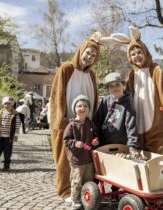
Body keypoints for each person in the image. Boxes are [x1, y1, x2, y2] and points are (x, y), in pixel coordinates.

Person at [49, 32, 112, 201]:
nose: (90, 57)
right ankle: (66, 191)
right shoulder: (66, 69)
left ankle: (86, 189)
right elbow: (57, 95)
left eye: (94, 55)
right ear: (81, 51)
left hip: (87, 123)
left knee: (86, 158)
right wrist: (60, 121)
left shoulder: (91, 75)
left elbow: (95, 99)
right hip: (68, 123)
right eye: (88, 53)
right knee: (66, 159)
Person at [111, 26, 163, 154]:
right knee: (138, 154)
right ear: (129, 57)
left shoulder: (156, 70)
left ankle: (158, 173)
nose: (136, 56)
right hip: (138, 121)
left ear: (145, 53)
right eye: (133, 54)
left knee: (156, 154)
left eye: (139, 53)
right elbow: (126, 95)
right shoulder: (132, 74)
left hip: (155, 121)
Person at [93, 72, 140, 201]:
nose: (115, 88)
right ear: (107, 89)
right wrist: (95, 135)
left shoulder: (128, 104)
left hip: (118, 143)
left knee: (116, 168)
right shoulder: (106, 101)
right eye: (111, 86)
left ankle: (114, 192)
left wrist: (133, 146)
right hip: (103, 140)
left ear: (123, 85)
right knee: (98, 166)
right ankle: (94, 191)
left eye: (117, 84)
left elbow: (131, 126)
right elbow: (97, 120)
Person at [63, 95, 99, 209]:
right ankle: (75, 199)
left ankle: (87, 198)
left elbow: (96, 135)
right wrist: (74, 143)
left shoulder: (90, 123)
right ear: (75, 109)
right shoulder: (71, 125)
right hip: (77, 160)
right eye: (79, 106)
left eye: (85, 106)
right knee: (76, 181)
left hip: (88, 159)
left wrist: (95, 140)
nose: (82, 108)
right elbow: (66, 140)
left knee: (88, 180)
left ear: (88, 109)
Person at [0, 96, 21, 171]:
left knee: (7, 151)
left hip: (9, 137)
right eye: (5, 104)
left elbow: (17, 125)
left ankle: (6, 164)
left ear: (12, 105)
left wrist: (16, 135)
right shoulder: (0, 113)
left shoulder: (15, 114)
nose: (7, 105)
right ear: (3, 104)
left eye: (9, 104)